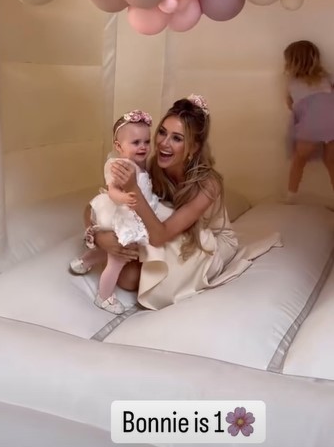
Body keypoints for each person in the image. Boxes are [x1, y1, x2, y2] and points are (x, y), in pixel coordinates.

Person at [95, 94, 246, 311]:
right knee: (126, 274)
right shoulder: (153, 166)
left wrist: (133, 189)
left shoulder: (208, 184)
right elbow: (101, 201)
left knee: (130, 278)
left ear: (193, 148)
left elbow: (158, 236)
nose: (164, 143)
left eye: (177, 138)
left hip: (208, 239)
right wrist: (100, 238)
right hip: (167, 228)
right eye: (163, 133)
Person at [69, 109, 158, 314]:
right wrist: (124, 198)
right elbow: (112, 191)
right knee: (119, 258)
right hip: (121, 215)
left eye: (146, 141)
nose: (143, 147)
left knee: (118, 251)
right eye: (136, 143)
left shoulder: (141, 166)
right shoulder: (121, 165)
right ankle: (104, 296)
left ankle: (85, 261)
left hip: (133, 214)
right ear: (119, 146)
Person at [284, 40, 334, 203]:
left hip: (311, 126)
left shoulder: (293, 83)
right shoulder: (327, 77)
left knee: (299, 160)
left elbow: (292, 106)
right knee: (331, 162)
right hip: (332, 123)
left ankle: (291, 196)